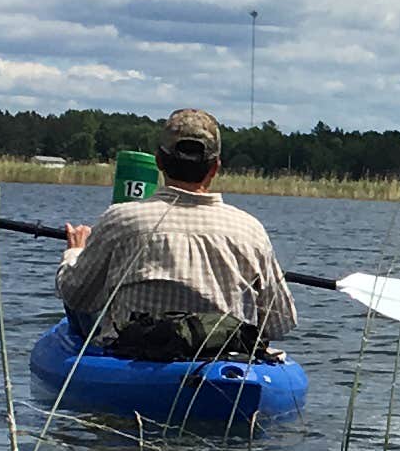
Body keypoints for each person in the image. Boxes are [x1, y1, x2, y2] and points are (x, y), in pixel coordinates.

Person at [60, 107, 299, 361]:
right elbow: (279, 323)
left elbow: (77, 295)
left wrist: (75, 252)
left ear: (159, 161)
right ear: (215, 167)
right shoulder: (250, 230)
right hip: (222, 363)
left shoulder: (120, 218)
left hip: (136, 363)